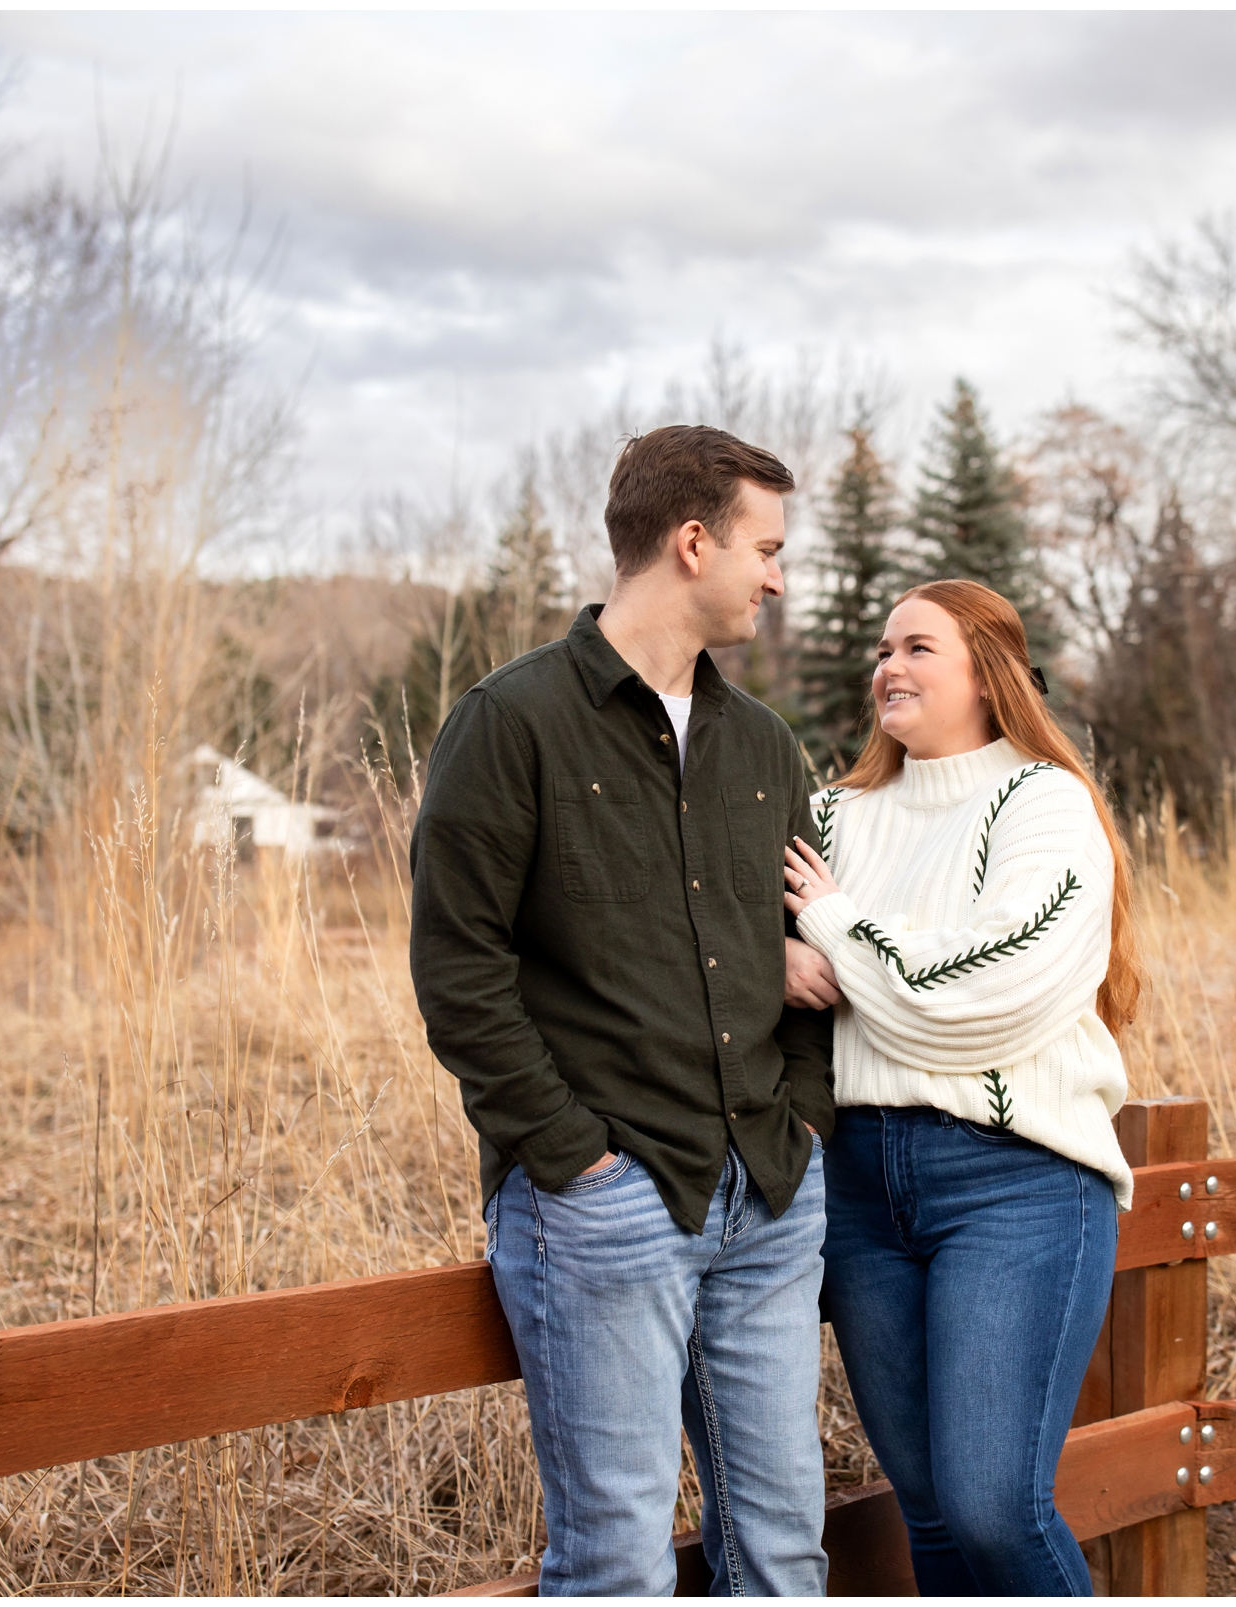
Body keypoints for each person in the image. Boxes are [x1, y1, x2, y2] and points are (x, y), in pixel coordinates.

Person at [408, 424, 836, 1597]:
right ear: (693, 543)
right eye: (768, 547)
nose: (779, 576)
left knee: (785, 1546)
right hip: (606, 1209)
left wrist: (799, 1117)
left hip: (769, 1197)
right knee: (614, 1561)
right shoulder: (513, 724)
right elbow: (459, 969)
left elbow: (808, 945)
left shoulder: (763, 746)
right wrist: (574, 1159)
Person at [779, 578, 1144, 1596]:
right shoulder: (834, 817)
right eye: (883, 647)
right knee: (928, 1509)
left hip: (1013, 1182)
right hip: (856, 1184)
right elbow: (733, 937)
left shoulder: (1043, 803)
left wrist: (841, 934)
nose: (888, 665)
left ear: (987, 671)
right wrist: (778, 958)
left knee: (994, 1505)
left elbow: (987, 993)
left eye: (919, 647)